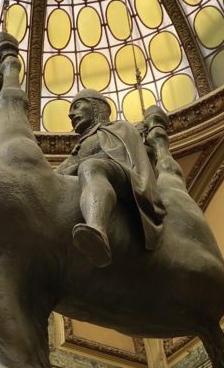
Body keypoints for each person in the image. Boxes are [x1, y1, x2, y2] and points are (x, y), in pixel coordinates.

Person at [56, 88, 166, 267]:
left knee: (90, 166)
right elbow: (58, 173)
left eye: (77, 106)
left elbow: (120, 158)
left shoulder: (119, 128)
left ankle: (97, 229)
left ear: (96, 107)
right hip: (93, 174)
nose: (71, 114)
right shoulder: (80, 146)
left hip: (124, 178)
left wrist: (77, 167)